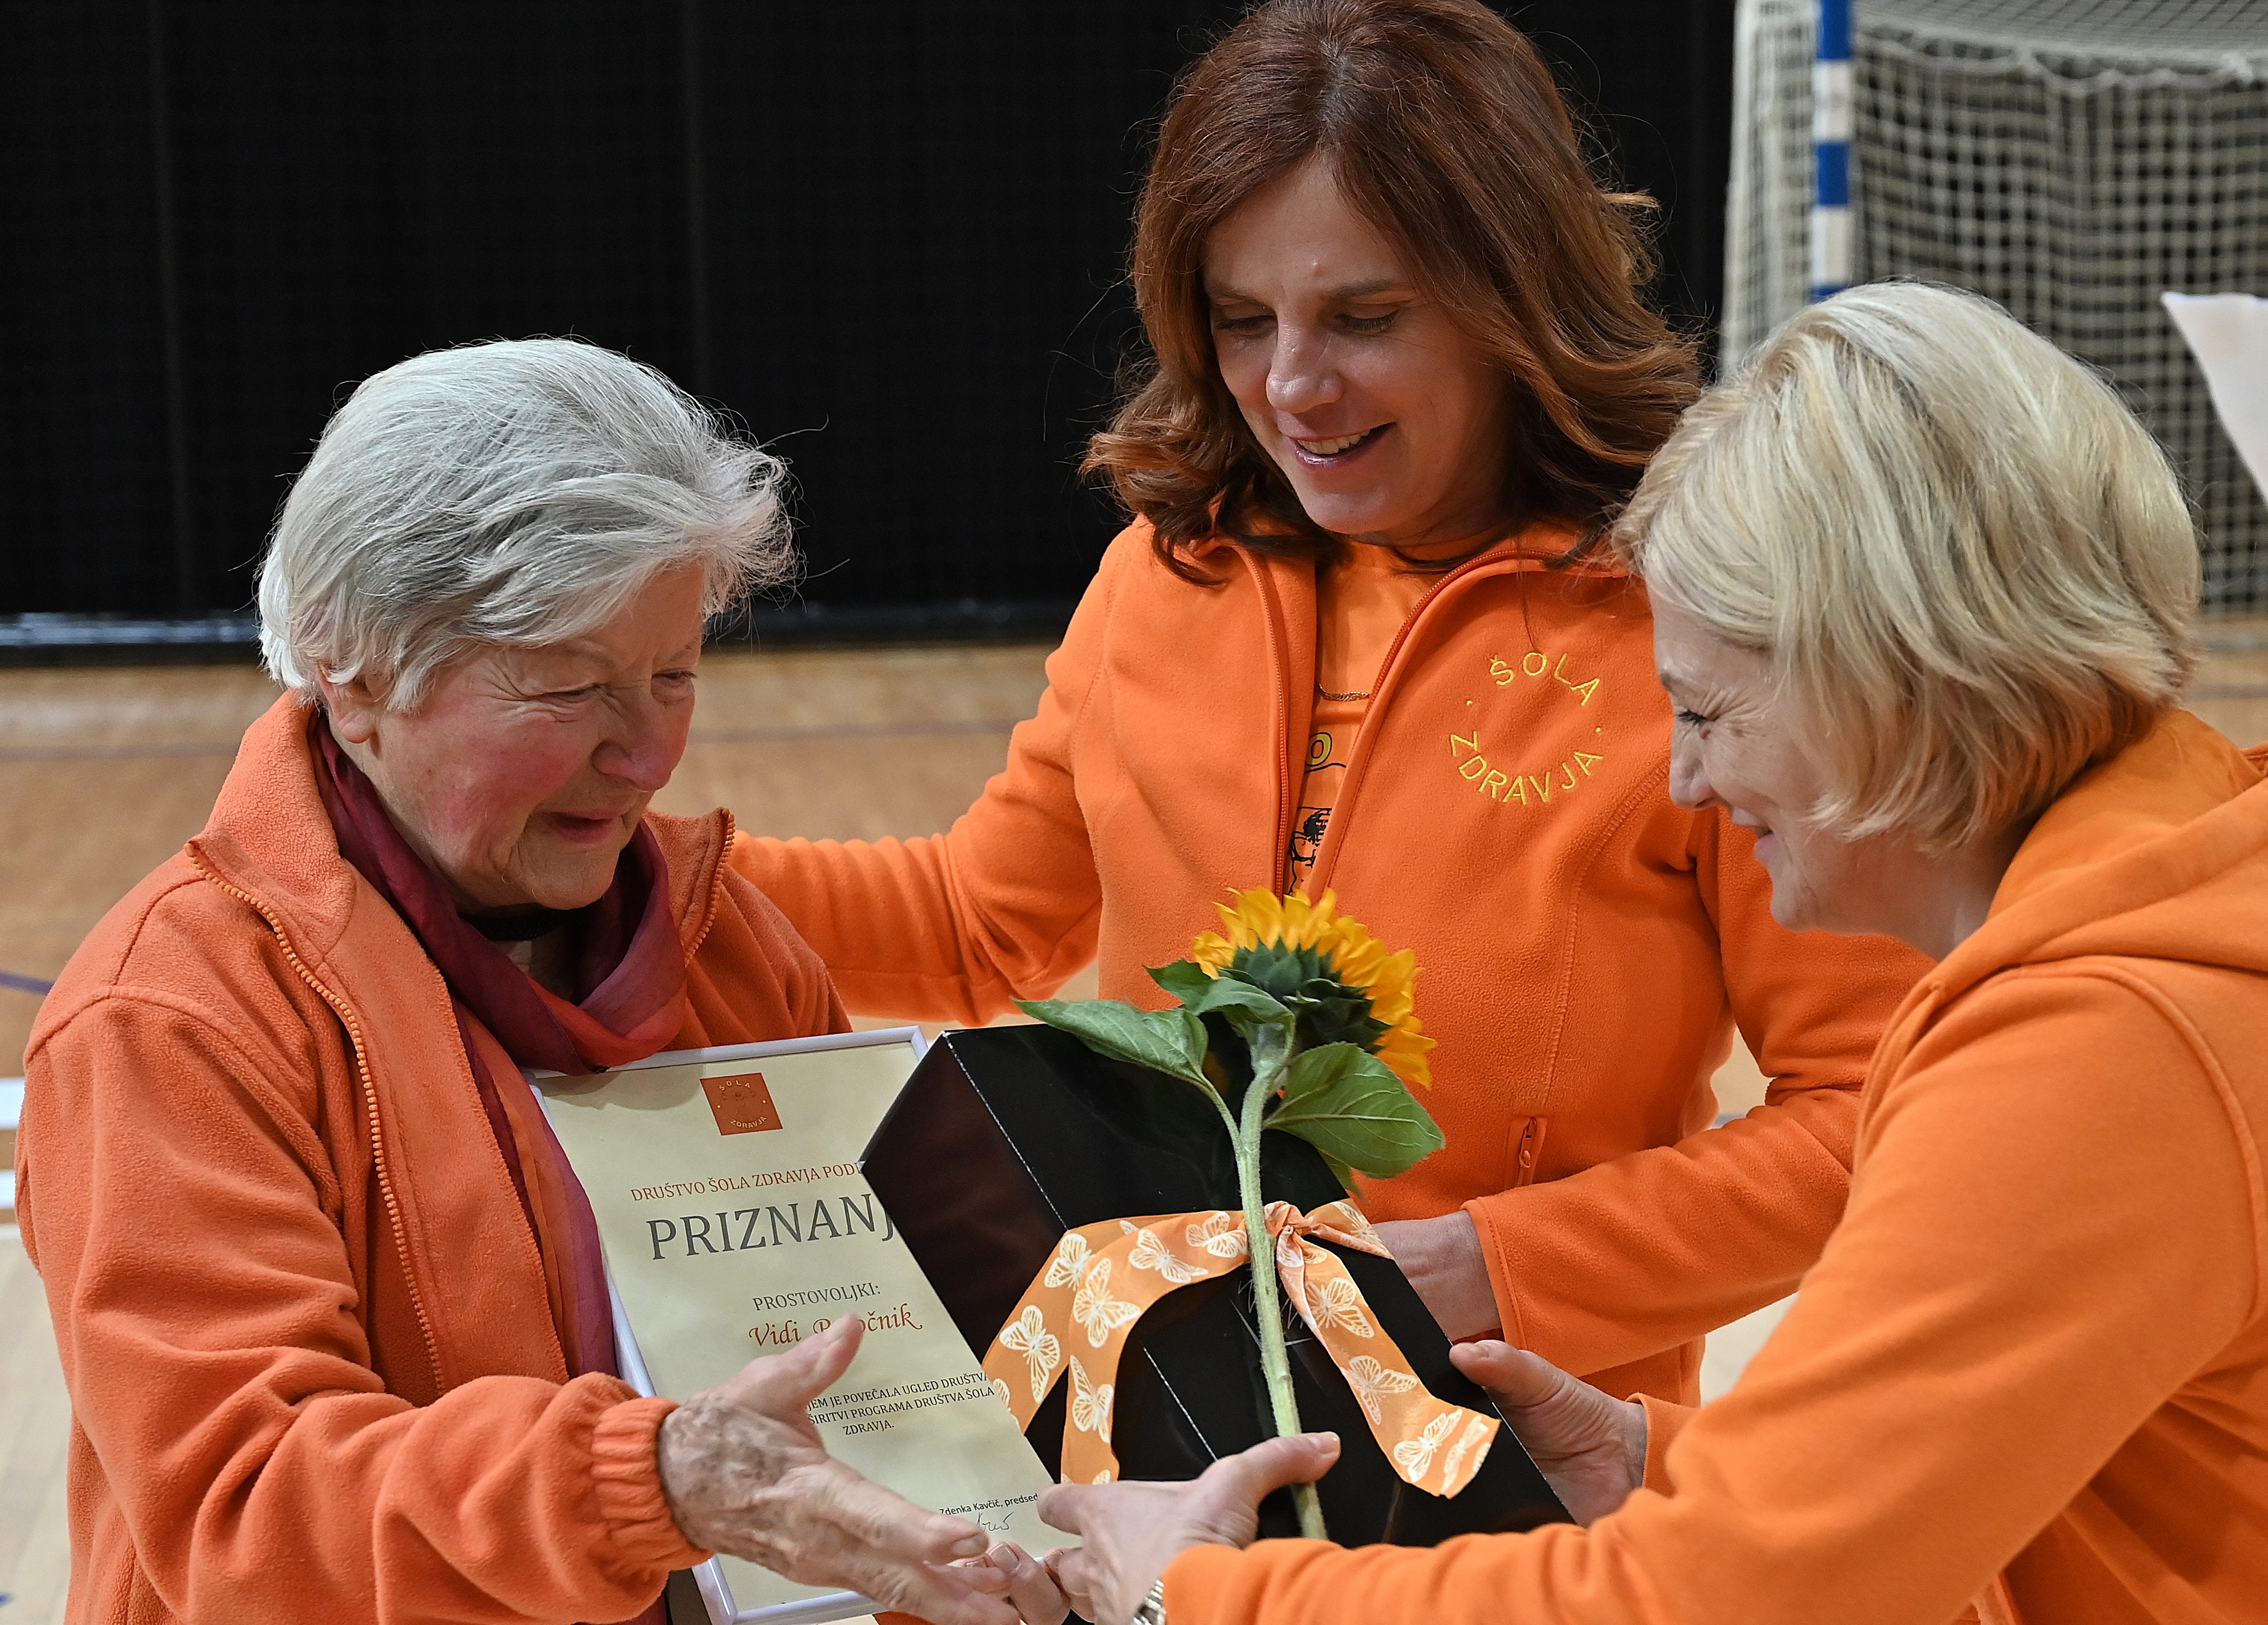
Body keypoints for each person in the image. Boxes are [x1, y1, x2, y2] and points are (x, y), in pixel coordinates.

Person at [733, 0, 1927, 1410]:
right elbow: (978, 923)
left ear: (1516, 298)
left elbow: (1871, 1108)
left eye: (1365, 318)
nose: (1293, 385)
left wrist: (1494, 1265)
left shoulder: (1698, 625)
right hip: (1139, 1416)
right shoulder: (1164, 572)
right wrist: (656, 873)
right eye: (1242, 321)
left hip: (1522, 1444)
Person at [1026, 282, 2268, 1623]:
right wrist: (1646, 1464)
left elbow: (1724, 1601)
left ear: (1893, 684)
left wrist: (1202, 1591)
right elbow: (1992, 1498)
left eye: (1707, 711)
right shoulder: (2176, 903)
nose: (1685, 779)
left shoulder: (2096, 1048)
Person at [15, 340, 1055, 1625]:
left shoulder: (732, 942)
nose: (648, 754)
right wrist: (645, 1484)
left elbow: (880, 1393)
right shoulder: (173, 1020)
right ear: (354, 675)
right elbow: (246, 1516)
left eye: (674, 675)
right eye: (570, 687)